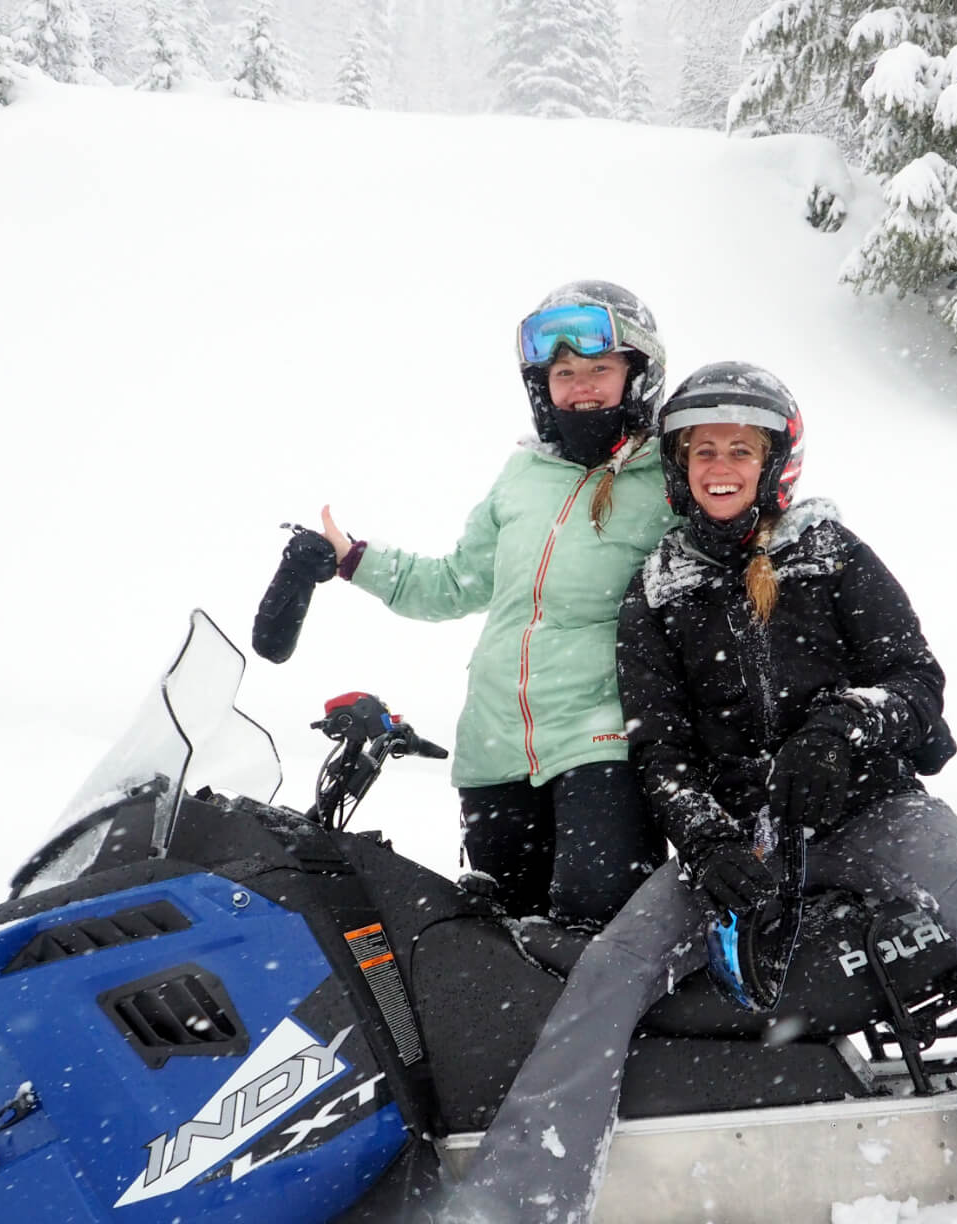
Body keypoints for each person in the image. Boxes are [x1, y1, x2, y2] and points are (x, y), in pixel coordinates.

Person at [438, 362, 957, 1224]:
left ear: (771, 462)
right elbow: (659, 747)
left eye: (738, 451)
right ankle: (510, 1218)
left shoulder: (831, 552)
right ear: (679, 467)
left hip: (873, 811)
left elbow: (916, 683)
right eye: (703, 450)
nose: (720, 466)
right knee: (612, 966)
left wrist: (844, 733)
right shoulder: (658, 587)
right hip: (738, 836)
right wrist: (707, 839)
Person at [286, 280, 678, 928]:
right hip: (495, 750)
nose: (581, 386)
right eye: (564, 372)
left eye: (599, 370)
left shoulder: (669, 479)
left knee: (597, 936)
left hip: (603, 744)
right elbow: (455, 583)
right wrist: (354, 557)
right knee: (502, 955)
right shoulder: (522, 476)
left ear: (637, 374)